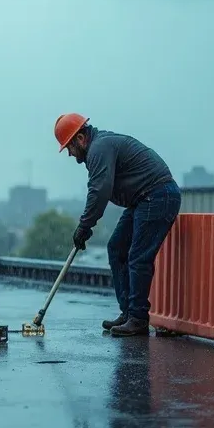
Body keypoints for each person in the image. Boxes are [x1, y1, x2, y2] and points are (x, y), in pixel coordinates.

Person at [53, 112, 181, 337]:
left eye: (69, 148)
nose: (71, 154)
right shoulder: (100, 146)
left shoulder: (99, 148)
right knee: (116, 248)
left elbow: (99, 190)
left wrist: (84, 226)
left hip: (158, 195)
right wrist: (86, 225)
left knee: (138, 257)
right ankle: (129, 313)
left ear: (80, 138)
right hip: (143, 199)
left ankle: (138, 318)